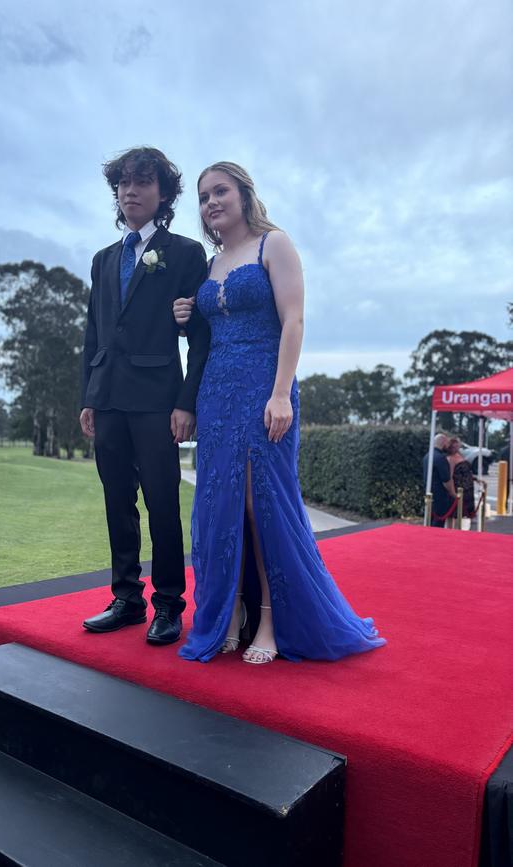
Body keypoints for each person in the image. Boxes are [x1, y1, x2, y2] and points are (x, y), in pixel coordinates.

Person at [173, 162, 385, 664]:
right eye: (204, 197)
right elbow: (207, 331)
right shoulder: (212, 263)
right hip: (217, 396)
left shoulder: (275, 244)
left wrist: (281, 393)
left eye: (220, 191)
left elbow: (294, 320)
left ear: (244, 194)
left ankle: (270, 618)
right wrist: (187, 314)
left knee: (259, 505)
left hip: (265, 391)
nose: (211, 203)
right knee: (218, 507)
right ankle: (227, 613)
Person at [80, 147, 210, 646]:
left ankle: (169, 605)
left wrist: (187, 401)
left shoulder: (184, 254)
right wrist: (88, 396)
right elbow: (93, 333)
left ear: (163, 193)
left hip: (159, 399)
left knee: (161, 504)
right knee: (118, 502)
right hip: (108, 398)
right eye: (123, 183)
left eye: (142, 182)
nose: (130, 191)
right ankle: (127, 599)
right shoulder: (103, 259)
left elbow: (200, 333)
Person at [422, 433, 456, 528]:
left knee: (430, 521)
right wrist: (453, 494)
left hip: (429, 493)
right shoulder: (441, 458)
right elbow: (446, 480)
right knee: (438, 524)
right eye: (447, 443)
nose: (448, 446)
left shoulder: (427, 456)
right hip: (440, 496)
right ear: (443, 443)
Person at [446, 437, 475, 520]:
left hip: (468, 489)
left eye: (457, 445)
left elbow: (467, 471)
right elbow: (450, 476)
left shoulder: (460, 455)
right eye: (454, 446)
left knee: (464, 515)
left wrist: (475, 479)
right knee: (456, 514)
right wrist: (452, 493)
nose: (456, 448)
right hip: (458, 488)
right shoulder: (450, 459)